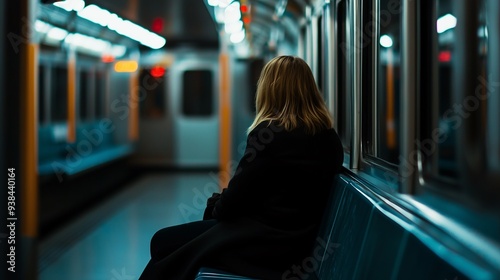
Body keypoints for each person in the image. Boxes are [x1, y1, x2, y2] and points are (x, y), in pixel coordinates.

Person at [138, 55, 344, 280]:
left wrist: (215, 203)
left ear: (269, 90)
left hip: (261, 245)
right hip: (297, 245)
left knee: (162, 242)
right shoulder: (330, 139)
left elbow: (233, 201)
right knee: (172, 248)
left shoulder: (269, 134)